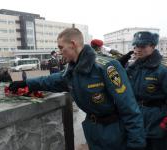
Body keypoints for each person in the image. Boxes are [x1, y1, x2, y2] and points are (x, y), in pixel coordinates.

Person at [9, 28, 145, 150]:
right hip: (93, 131)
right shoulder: (72, 70)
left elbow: (129, 108)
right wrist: (26, 82)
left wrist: (136, 144)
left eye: (61, 48)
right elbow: (52, 80)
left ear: (73, 44)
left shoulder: (106, 66)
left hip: (113, 132)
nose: (60, 52)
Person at [127, 31, 167, 150]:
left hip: (156, 122)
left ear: (153, 46)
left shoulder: (162, 70)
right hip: (136, 121)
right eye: (136, 46)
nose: (138, 49)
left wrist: (164, 125)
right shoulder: (132, 68)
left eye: (143, 46)